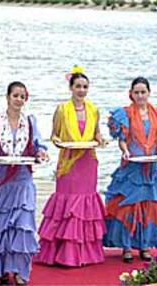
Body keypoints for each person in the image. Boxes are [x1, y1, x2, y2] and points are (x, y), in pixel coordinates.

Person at [0, 81, 48, 285]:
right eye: (15, 96)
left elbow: (38, 146)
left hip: (23, 181)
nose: (19, 100)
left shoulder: (30, 122)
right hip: (1, 181)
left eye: (22, 96)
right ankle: (2, 270)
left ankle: (20, 272)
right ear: (8, 97)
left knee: (22, 226)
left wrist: (40, 153)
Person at [34, 68, 106, 267]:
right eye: (78, 87)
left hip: (88, 160)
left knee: (85, 204)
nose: (81, 90)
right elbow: (54, 135)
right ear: (71, 88)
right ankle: (60, 252)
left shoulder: (93, 109)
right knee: (67, 204)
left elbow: (97, 134)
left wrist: (101, 140)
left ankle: (85, 254)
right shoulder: (62, 109)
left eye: (85, 87)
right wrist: (60, 143)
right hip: (68, 162)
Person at [103, 77, 157, 263]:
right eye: (136, 92)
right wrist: (125, 151)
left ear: (149, 93)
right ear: (131, 94)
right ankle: (126, 246)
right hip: (132, 167)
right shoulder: (124, 114)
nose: (140, 95)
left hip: (152, 168)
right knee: (128, 206)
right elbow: (122, 140)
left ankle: (145, 246)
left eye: (143, 92)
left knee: (150, 207)